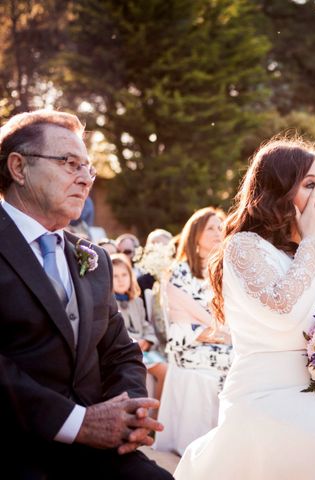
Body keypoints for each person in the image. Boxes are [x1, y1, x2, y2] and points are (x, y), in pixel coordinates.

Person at [175, 136, 315, 479]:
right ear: (278, 192)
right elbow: (284, 314)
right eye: (310, 184)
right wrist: (310, 240)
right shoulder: (244, 247)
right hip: (268, 394)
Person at [0, 109, 171, 478]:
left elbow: (120, 349)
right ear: (18, 168)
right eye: (69, 163)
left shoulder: (93, 258)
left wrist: (131, 411)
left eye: (88, 168)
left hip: (100, 448)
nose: (85, 179)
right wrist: (77, 423)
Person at [164, 207, 232, 386]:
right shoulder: (180, 272)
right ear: (196, 234)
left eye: (220, 228)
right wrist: (225, 336)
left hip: (229, 342)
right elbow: (183, 324)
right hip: (192, 348)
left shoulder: (227, 271)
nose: (217, 233)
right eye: (210, 228)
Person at [111, 253, 168, 404]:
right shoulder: (108, 304)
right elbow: (114, 331)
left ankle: (157, 414)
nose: (121, 279)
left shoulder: (136, 301)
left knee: (169, 368)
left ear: (131, 276)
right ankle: (151, 413)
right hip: (125, 351)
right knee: (164, 370)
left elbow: (146, 326)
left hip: (144, 349)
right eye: (115, 276)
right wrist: (134, 342)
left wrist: (147, 341)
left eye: (124, 275)